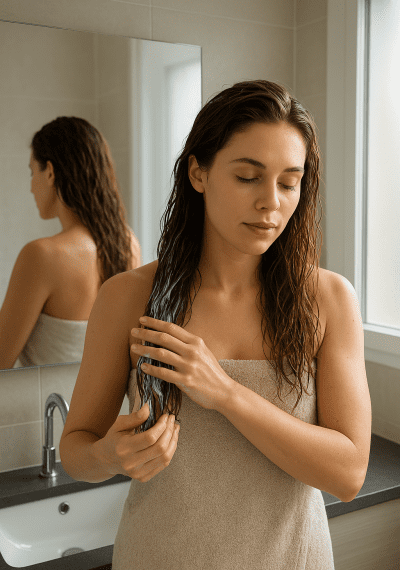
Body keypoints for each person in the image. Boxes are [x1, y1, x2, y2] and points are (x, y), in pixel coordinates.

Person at [59, 81, 371, 569]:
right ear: (198, 172)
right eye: (248, 177)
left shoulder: (328, 299)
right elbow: (76, 448)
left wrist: (224, 391)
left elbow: (349, 473)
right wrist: (110, 456)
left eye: (289, 182)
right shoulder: (127, 297)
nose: (271, 203)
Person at [0, 116, 141, 369]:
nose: (31, 187)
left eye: (33, 172)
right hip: (112, 408)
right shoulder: (128, 243)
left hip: (48, 407)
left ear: (51, 172)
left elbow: (1, 361)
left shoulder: (41, 255)